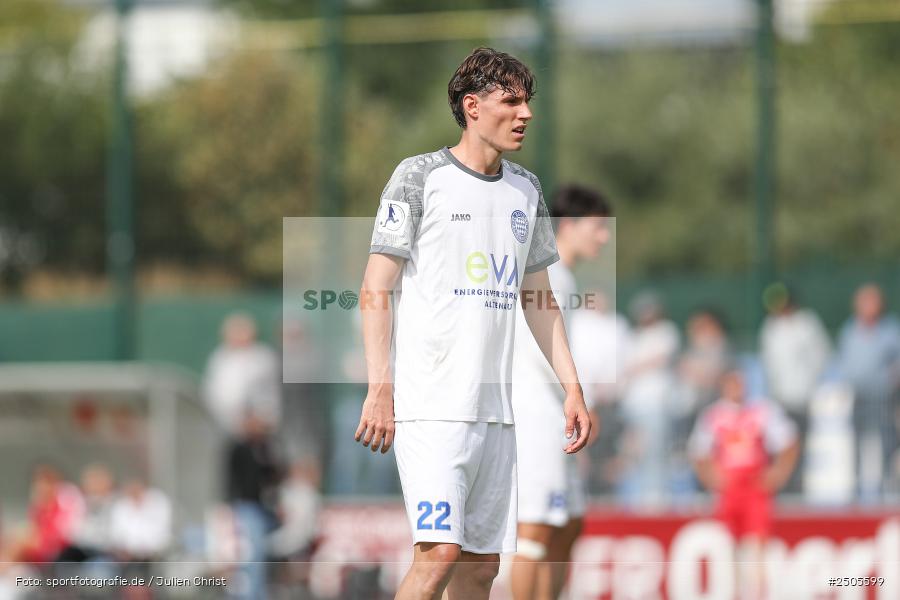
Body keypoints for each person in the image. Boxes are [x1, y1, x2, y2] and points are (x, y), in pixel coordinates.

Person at [354, 47, 592, 600]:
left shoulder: (527, 190)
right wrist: (380, 387)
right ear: (473, 106)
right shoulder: (419, 177)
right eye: (511, 100)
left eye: (528, 101)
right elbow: (375, 288)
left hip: (496, 415)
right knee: (438, 557)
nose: (525, 113)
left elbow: (539, 299)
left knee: (480, 569)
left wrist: (573, 388)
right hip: (432, 410)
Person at [509, 185, 611, 600]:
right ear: (568, 226)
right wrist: (577, 399)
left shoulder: (563, 276)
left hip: (558, 416)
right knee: (536, 529)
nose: (604, 237)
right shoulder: (546, 272)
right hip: (536, 417)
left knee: (569, 523)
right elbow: (538, 349)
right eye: (598, 227)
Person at [689, 366, 798, 600]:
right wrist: (711, 477)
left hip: (754, 486)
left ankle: (757, 593)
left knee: (757, 544)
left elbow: (789, 442)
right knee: (730, 545)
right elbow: (698, 453)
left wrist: (778, 473)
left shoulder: (761, 411)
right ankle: (735, 592)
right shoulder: (714, 415)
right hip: (729, 489)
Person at [759, 283, 830, 493]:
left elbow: (820, 356)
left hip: (801, 398)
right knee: (777, 447)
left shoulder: (807, 323)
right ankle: (781, 490)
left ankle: (797, 490)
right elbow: (769, 364)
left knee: (798, 446)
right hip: (778, 399)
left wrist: (809, 385)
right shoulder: (770, 327)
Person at [836, 283, 900, 499]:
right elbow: (844, 360)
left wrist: (891, 380)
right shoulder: (850, 329)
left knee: (886, 440)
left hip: (883, 395)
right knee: (857, 440)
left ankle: (885, 485)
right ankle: (856, 486)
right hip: (859, 395)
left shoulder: (890, 330)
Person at [618, 292, 680, 508]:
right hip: (634, 404)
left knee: (656, 451)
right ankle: (639, 495)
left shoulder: (666, 331)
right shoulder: (633, 337)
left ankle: (657, 497)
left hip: (657, 403)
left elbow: (657, 360)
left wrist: (634, 368)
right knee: (636, 453)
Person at [204, 312, 282, 437]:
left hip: (262, 428)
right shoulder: (220, 358)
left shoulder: (264, 357)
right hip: (227, 429)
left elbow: (271, 392)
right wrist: (234, 420)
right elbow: (214, 393)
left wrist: (262, 417)